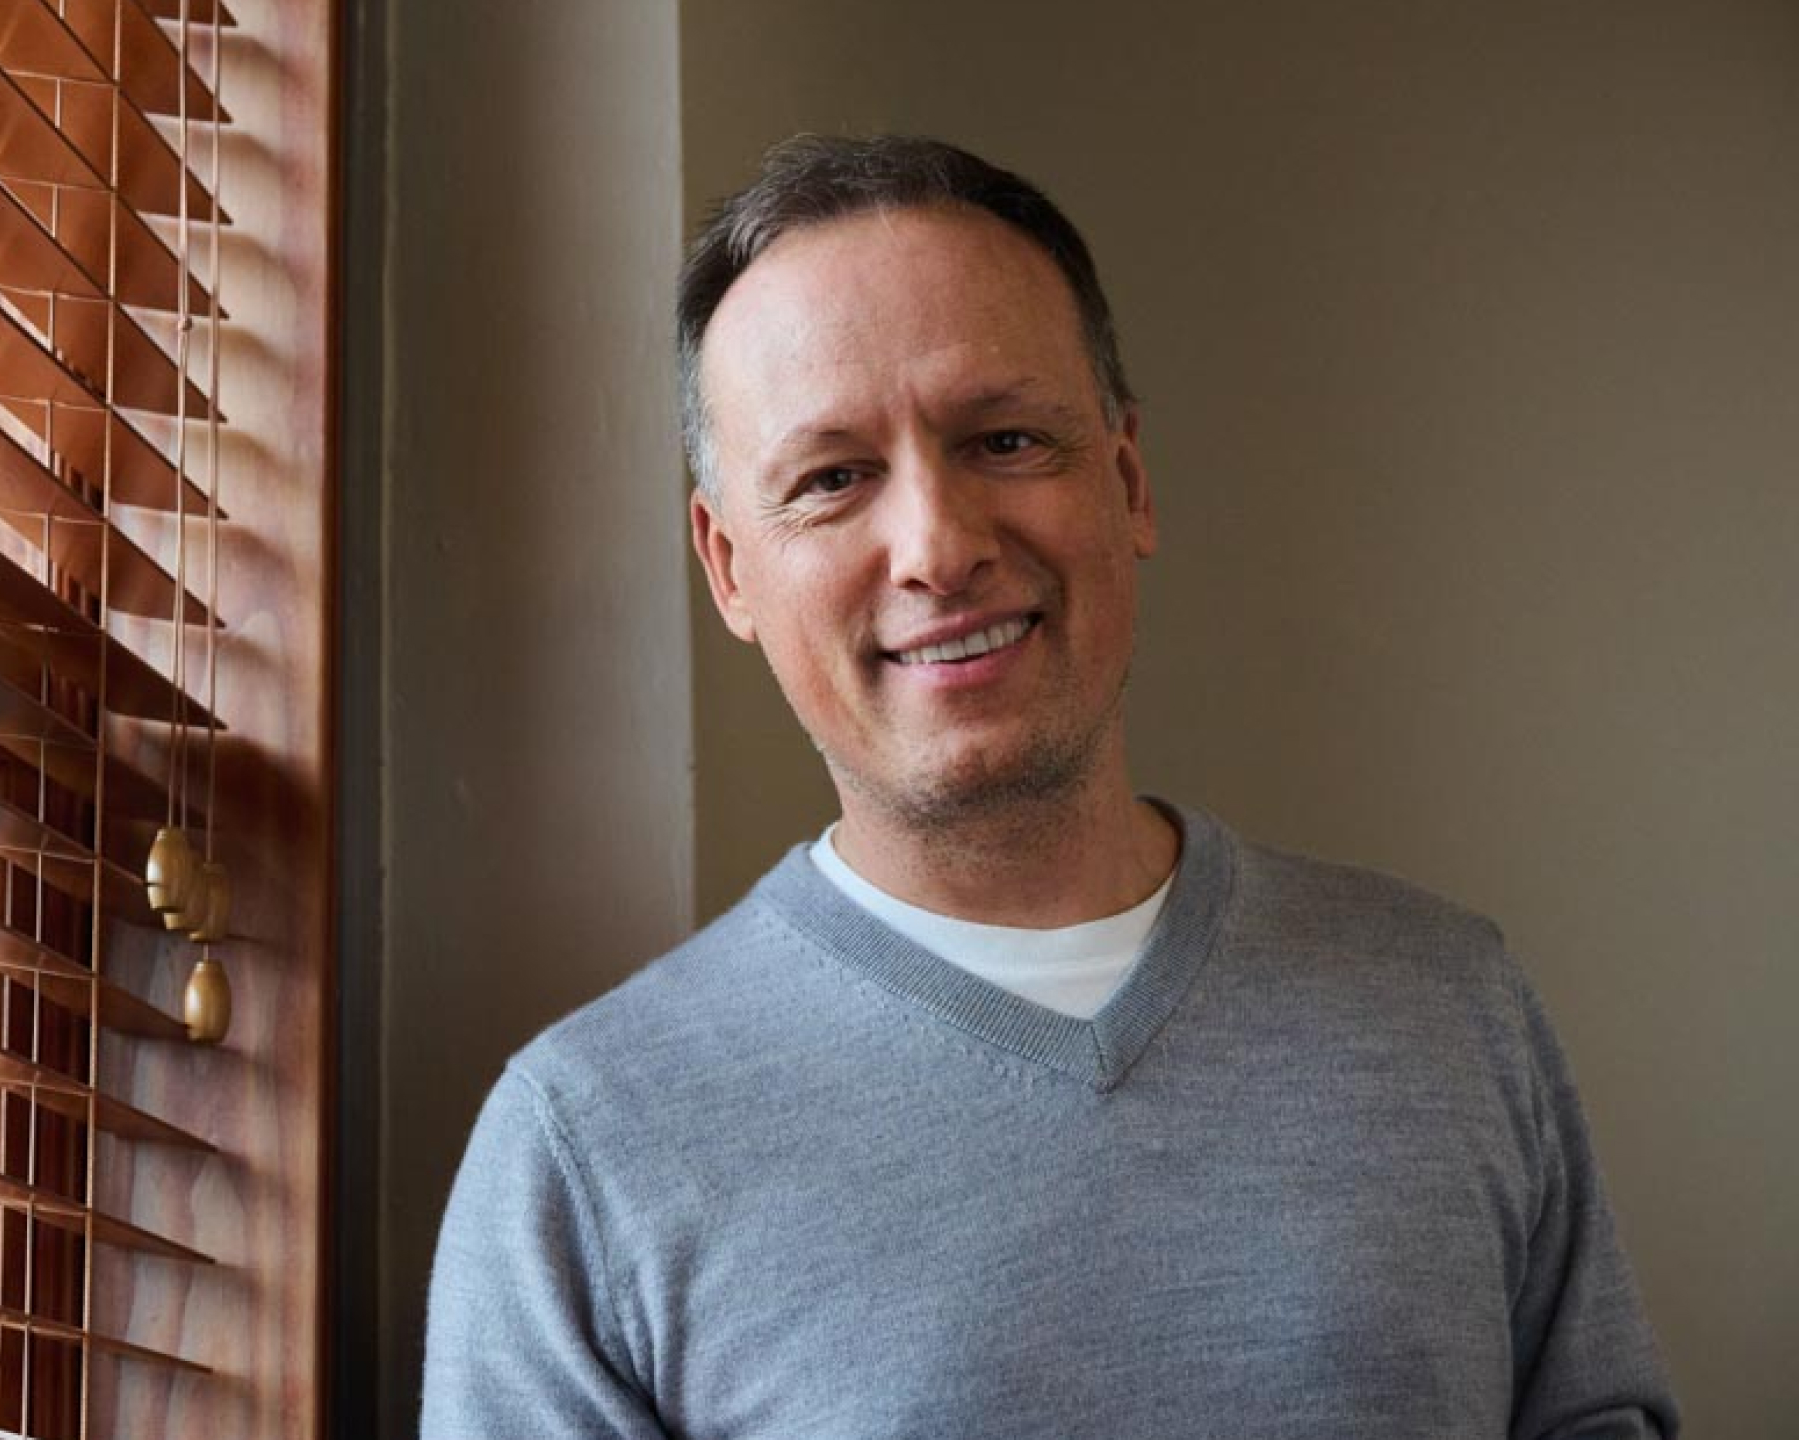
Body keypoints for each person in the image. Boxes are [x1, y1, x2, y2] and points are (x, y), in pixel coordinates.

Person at [421, 134, 1677, 1438]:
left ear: (1127, 482)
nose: (939, 547)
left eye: (1006, 439)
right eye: (833, 478)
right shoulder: (585, 1147)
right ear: (729, 566)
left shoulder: (1450, 1007)